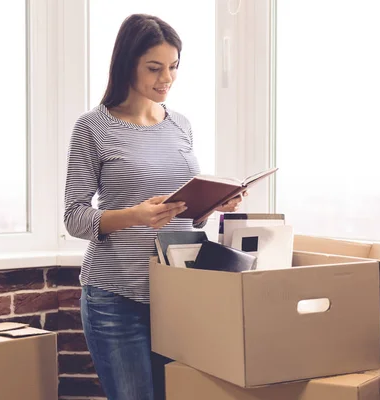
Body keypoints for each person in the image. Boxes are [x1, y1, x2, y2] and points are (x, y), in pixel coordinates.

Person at [63, 14, 243, 400]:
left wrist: (213, 204)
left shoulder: (180, 125)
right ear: (128, 63)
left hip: (179, 294)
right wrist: (134, 216)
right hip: (117, 298)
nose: (167, 78)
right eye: (155, 68)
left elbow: (184, 212)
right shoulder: (93, 127)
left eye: (174, 66)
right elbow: (74, 216)